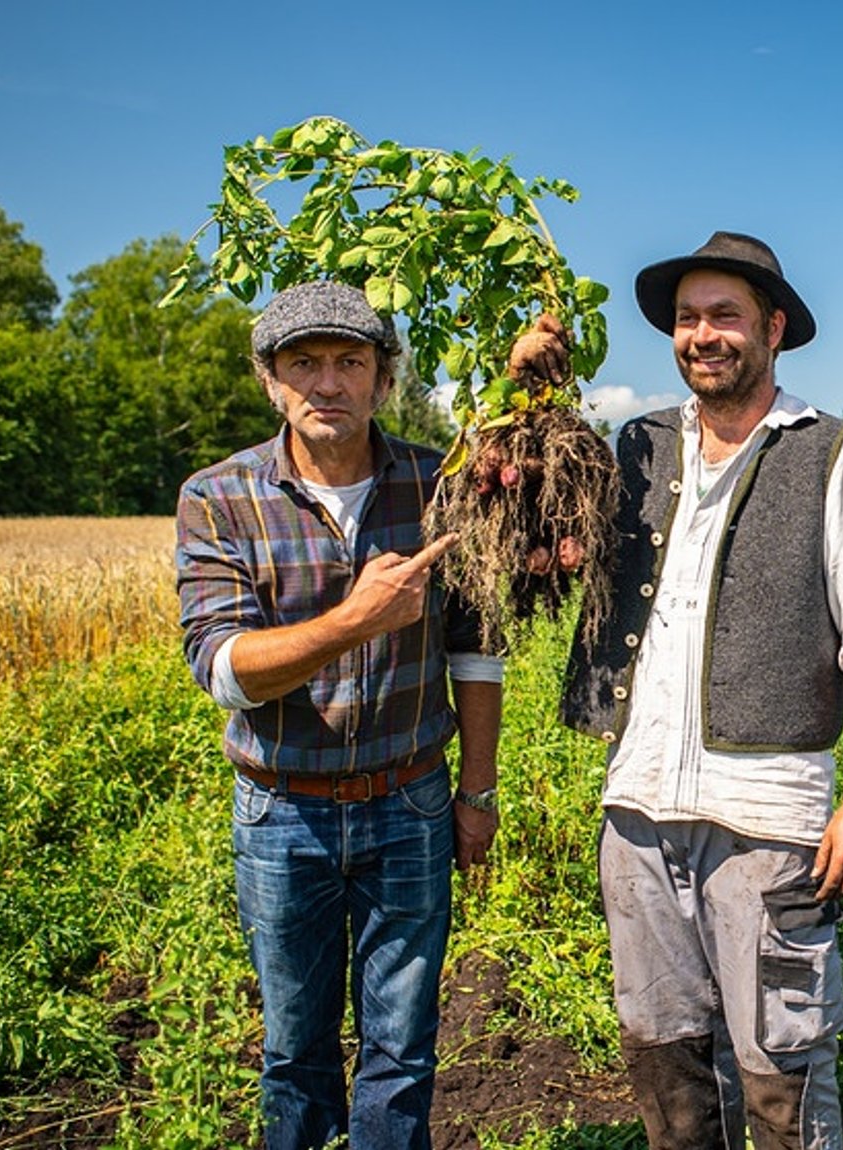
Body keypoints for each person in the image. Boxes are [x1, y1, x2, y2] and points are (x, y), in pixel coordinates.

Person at [175, 281, 560, 1149]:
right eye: (303, 363)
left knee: (402, 1046)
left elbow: (477, 649)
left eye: (350, 362)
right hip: (283, 813)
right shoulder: (219, 497)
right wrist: (355, 617)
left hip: (412, 806)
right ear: (270, 380)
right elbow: (224, 670)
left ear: (383, 380)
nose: (327, 384)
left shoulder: (440, 482)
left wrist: (479, 793)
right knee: (294, 1049)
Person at [561, 232, 843, 1150]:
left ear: (774, 330)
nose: (703, 335)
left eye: (726, 316)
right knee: (663, 1059)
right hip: (638, 808)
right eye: (688, 319)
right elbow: (533, 511)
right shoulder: (636, 449)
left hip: (768, 819)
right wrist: (535, 375)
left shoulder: (830, 454)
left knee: (780, 1069)